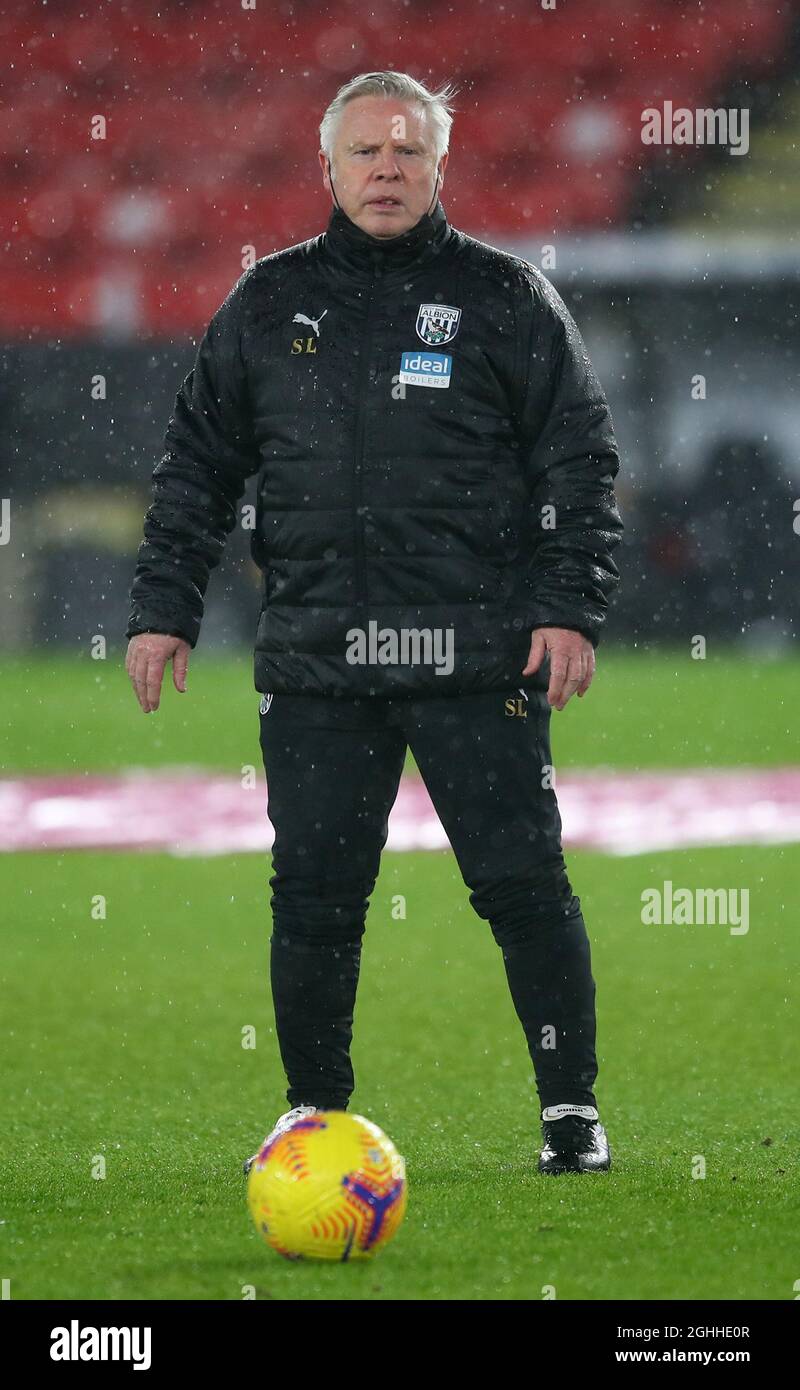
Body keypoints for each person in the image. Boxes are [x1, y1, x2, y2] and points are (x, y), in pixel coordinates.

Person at [125, 71, 624, 1176]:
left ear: (439, 166)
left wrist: (566, 607)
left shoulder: (503, 296)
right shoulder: (264, 303)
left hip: (474, 653)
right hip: (316, 664)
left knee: (521, 886)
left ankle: (568, 1110)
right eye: (365, 152)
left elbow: (577, 459)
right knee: (312, 897)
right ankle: (312, 1117)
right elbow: (194, 469)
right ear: (329, 169)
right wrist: (163, 609)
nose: (386, 168)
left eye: (407, 151)